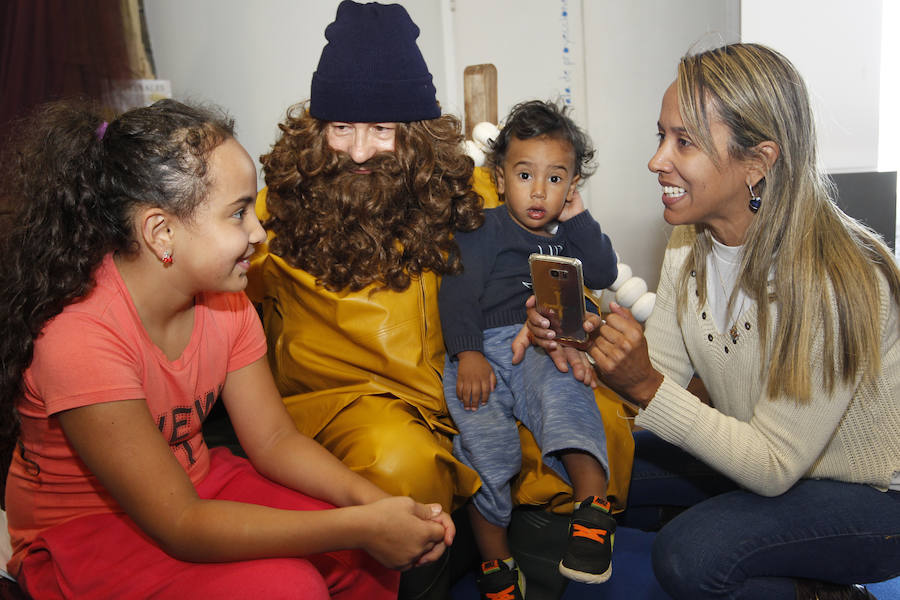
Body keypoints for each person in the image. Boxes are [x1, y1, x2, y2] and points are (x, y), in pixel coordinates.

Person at [248, 3, 637, 598]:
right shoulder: (278, 209)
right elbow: (210, 304)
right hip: (360, 401)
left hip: (482, 374)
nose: (357, 151)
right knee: (400, 465)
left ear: (417, 131)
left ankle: (539, 568)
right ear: (315, 127)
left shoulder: (477, 187)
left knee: (599, 420)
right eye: (341, 127)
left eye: (381, 129)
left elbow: (548, 270)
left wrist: (559, 327)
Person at [0, 98, 454, 600]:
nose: (258, 232)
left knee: (362, 559)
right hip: (88, 530)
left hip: (196, 484)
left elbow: (275, 440)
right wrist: (361, 526)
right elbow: (181, 523)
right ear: (161, 231)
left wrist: (377, 508)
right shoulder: (80, 337)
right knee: (288, 587)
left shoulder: (227, 303)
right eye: (238, 213)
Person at [519, 43, 900, 599]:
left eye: (685, 142)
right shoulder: (690, 240)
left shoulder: (838, 281)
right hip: (764, 459)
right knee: (573, 466)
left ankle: (827, 591)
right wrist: (586, 343)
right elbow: (663, 374)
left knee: (690, 555)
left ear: (758, 162)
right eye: (661, 136)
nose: (657, 161)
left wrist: (643, 383)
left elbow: (770, 464)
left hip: (866, 498)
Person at [439, 100, 618, 598]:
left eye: (556, 179)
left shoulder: (567, 238)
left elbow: (603, 272)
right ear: (499, 179)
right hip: (485, 349)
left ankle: (592, 511)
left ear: (573, 186)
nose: (539, 191)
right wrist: (467, 353)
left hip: (548, 345)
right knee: (484, 448)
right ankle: (496, 564)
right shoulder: (485, 228)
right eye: (524, 175)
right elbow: (456, 292)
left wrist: (578, 218)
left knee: (569, 393)